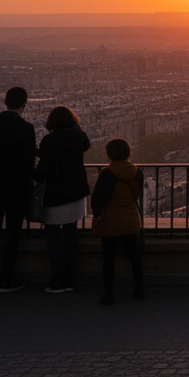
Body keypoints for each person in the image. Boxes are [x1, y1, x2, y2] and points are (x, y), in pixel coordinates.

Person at [0, 87, 36, 293]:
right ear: (24, 103)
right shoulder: (26, 128)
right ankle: (6, 279)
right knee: (12, 232)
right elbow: (29, 160)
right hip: (17, 185)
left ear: (5, 102)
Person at [33, 106, 90, 293]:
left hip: (55, 193)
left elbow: (42, 171)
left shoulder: (50, 140)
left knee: (53, 237)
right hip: (75, 193)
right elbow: (85, 144)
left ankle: (57, 278)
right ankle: (70, 278)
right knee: (71, 234)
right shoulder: (79, 137)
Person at [90, 138, 146, 305]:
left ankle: (108, 294)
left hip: (111, 222)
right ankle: (139, 289)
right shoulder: (137, 172)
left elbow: (97, 199)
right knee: (134, 257)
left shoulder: (108, 174)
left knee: (108, 259)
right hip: (131, 220)